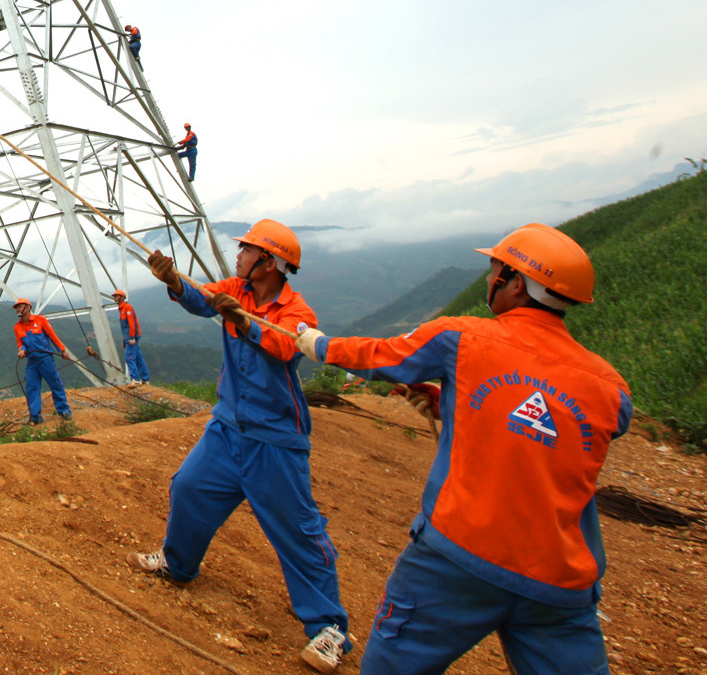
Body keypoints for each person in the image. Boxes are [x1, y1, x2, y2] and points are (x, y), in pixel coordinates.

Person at [294, 223, 632, 675]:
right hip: (559, 585)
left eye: (495, 269)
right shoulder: (611, 390)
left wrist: (321, 345)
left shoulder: (463, 338)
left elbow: (386, 356)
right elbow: (547, 434)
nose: (488, 277)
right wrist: (455, 406)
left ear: (514, 282)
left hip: (455, 562)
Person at [133, 220, 352, 672]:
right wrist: (174, 280)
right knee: (189, 488)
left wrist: (239, 321)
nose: (238, 256)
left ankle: (330, 629)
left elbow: (286, 348)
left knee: (298, 531)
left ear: (268, 263)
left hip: (275, 439)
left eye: (247, 250)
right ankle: (178, 564)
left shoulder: (297, 312)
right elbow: (203, 297)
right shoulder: (237, 288)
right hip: (228, 425)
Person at [11, 297, 75, 425]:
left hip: (46, 359)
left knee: (55, 384)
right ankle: (35, 417)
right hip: (32, 362)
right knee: (31, 387)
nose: (17, 309)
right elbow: (20, 343)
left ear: (27, 307)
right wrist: (22, 350)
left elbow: (52, 336)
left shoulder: (40, 320)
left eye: (19, 306)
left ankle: (63, 410)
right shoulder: (17, 327)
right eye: (16, 307)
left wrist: (62, 350)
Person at [113, 289, 151, 384]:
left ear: (122, 297)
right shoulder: (121, 309)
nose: (115, 298)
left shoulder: (127, 307)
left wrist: (131, 337)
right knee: (138, 357)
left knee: (129, 358)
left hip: (131, 336)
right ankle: (145, 379)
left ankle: (135, 379)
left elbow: (131, 323)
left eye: (117, 296)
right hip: (128, 336)